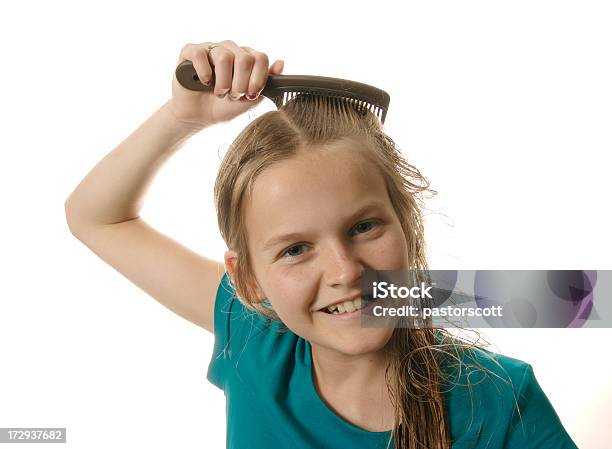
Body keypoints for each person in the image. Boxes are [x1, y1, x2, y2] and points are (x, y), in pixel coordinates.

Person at [65, 39, 579, 449]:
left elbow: (573, 298)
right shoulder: (254, 337)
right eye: (294, 249)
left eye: (363, 228)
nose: (344, 271)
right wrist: (184, 118)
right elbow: (95, 218)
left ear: (408, 226)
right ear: (247, 279)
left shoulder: (500, 396)